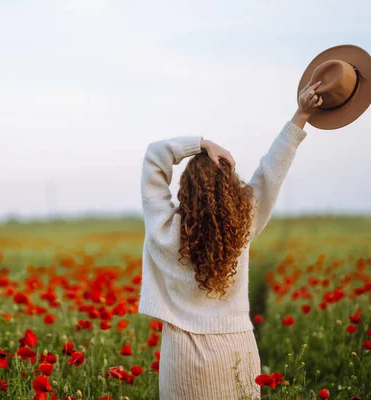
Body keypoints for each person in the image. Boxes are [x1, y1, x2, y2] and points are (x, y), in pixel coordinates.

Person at [137, 80, 323, 400]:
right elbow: (272, 170)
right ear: (230, 187)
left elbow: (154, 157)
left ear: (186, 188)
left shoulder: (164, 230)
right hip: (236, 351)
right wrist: (301, 114)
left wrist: (201, 143)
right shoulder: (243, 222)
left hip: (182, 358)